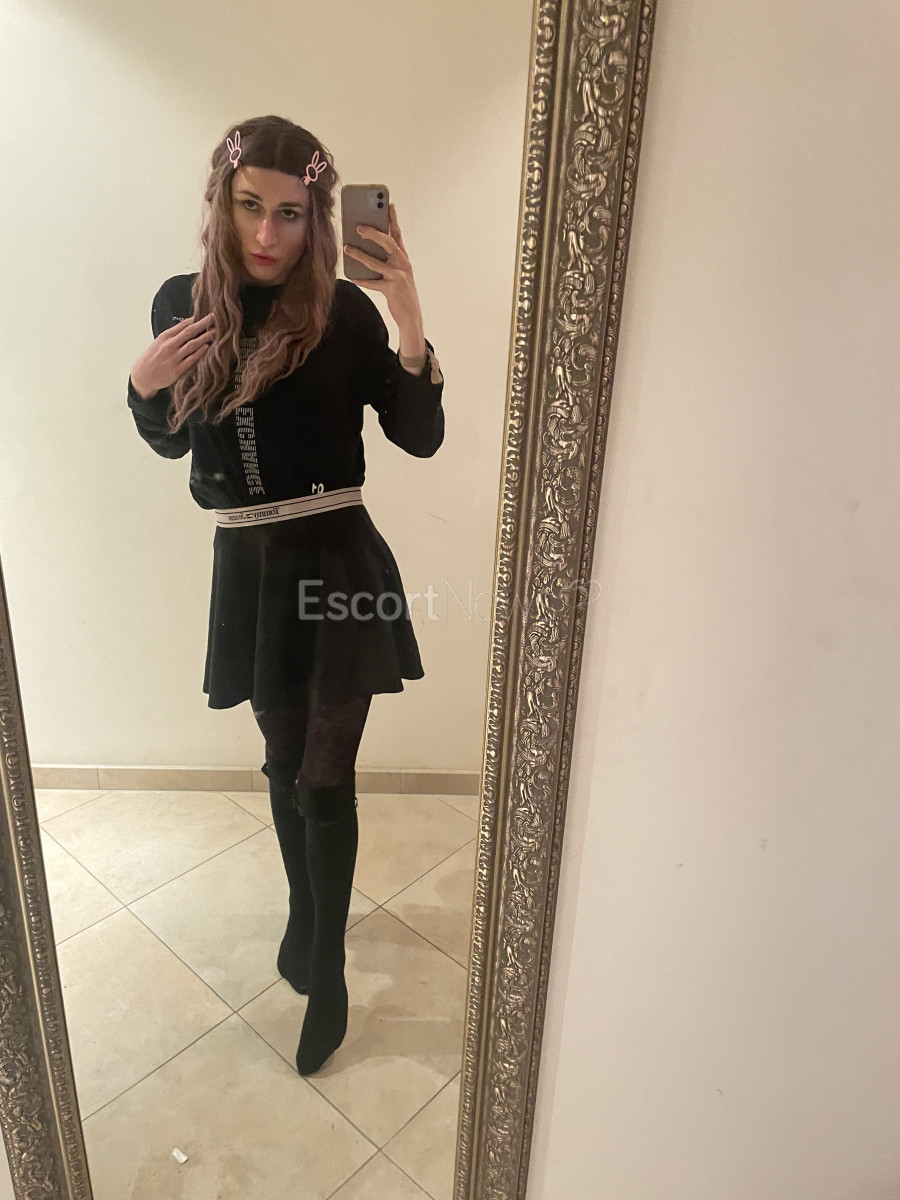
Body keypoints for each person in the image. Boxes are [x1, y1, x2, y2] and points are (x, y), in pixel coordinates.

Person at [126, 115, 445, 1076]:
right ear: (221, 205)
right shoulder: (183, 304)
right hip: (251, 567)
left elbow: (420, 436)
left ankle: (330, 970)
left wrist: (409, 322)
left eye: (292, 214)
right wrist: (143, 388)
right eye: (249, 206)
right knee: (279, 761)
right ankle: (306, 919)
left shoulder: (344, 312)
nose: (268, 233)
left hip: (339, 561)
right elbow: (175, 441)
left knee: (325, 772)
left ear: (319, 218)